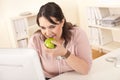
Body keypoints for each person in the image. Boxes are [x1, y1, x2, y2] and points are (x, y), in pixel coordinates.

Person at [28, 2, 92, 80]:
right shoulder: (35, 41)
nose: (47, 33)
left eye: (52, 27)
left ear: (62, 22)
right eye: (43, 28)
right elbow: (31, 72)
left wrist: (65, 53)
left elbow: (85, 69)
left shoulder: (78, 34)